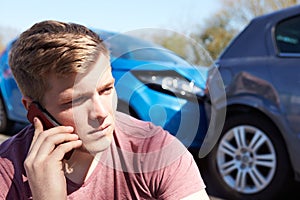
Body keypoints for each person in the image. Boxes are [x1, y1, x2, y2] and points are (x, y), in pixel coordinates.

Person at [0, 20, 210, 200]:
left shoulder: (156, 150)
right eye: (76, 102)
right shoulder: (7, 171)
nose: (101, 112)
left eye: (106, 89)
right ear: (33, 110)